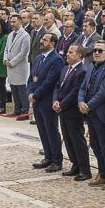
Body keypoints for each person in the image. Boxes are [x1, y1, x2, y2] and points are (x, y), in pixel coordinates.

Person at [80, 41, 105, 189]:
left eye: (100, 51)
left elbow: (104, 92)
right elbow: (83, 87)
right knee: (95, 145)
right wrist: (81, 102)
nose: (96, 53)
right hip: (89, 112)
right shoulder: (91, 66)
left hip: (101, 112)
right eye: (95, 50)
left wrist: (88, 105)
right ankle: (102, 174)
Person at [28, 33, 65, 172]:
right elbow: (31, 78)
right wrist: (30, 92)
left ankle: (56, 160)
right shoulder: (38, 58)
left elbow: (50, 81)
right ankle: (48, 156)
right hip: (36, 99)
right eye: (42, 39)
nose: (41, 41)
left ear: (53, 44)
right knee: (42, 130)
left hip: (47, 99)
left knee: (51, 130)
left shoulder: (57, 60)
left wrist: (36, 95)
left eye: (45, 40)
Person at [53, 44, 91, 181]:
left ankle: (85, 169)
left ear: (79, 55)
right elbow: (58, 86)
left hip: (73, 110)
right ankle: (75, 165)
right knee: (68, 139)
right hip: (62, 109)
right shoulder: (65, 69)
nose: (67, 54)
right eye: (68, 52)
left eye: (71, 52)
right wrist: (55, 101)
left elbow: (75, 92)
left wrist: (61, 104)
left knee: (77, 140)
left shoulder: (82, 71)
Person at [4, 14, 31, 116]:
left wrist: (12, 62)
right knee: (14, 89)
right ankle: (17, 110)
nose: (12, 24)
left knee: (21, 90)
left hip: (19, 66)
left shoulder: (25, 35)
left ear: (20, 22)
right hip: (10, 65)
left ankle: (25, 111)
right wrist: (5, 59)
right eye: (11, 22)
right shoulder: (10, 34)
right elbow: (6, 49)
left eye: (14, 22)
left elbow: (23, 53)